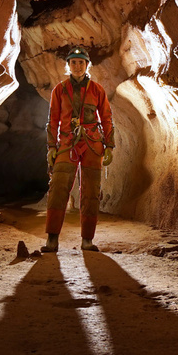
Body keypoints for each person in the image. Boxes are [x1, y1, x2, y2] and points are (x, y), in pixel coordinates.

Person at [42, 46, 114, 252]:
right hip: (66, 143)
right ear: (68, 65)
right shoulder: (59, 89)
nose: (77, 66)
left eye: (81, 62)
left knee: (91, 191)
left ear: (87, 65)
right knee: (58, 188)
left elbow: (107, 118)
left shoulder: (97, 90)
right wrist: (51, 147)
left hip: (92, 143)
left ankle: (87, 240)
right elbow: (53, 120)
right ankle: (52, 239)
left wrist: (109, 145)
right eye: (73, 62)